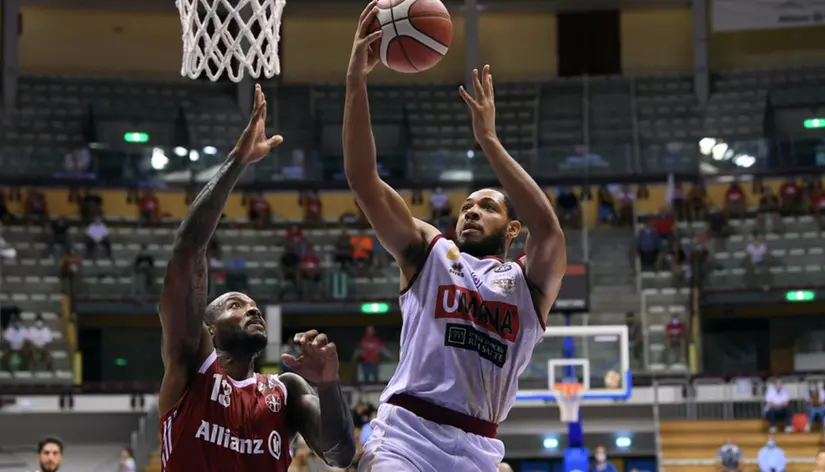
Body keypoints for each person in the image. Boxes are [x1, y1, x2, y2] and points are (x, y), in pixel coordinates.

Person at [344, 6, 566, 470]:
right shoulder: (431, 253)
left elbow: (548, 228)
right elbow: (365, 182)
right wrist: (356, 84)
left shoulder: (529, 284)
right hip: (406, 432)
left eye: (487, 206)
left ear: (511, 229)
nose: (470, 211)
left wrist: (489, 140)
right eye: (466, 206)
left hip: (479, 446)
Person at [157, 84, 355, 472]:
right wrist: (237, 162)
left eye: (253, 306)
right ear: (209, 330)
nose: (252, 310)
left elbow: (340, 455)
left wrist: (329, 385)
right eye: (235, 304)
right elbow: (187, 251)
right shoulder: (191, 363)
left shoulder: (286, 390)